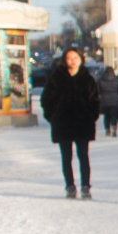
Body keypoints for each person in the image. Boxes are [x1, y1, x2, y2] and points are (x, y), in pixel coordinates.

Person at [41, 47, 101, 199]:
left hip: (83, 123)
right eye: (69, 58)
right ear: (64, 60)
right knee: (66, 157)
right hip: (63, 123)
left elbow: (95, 101)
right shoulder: (57, 78)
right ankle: (69, 186)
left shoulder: (87, 79)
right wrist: (52, 116)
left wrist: (91, 115)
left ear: (81, 59)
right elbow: (46, 99)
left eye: (76, 57)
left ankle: (86, 186)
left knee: (83, 155)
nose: (72, 61)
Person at [96, 65, 118, 137]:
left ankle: (107, 129)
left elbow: (97, 90)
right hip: (114, 100)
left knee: (106, 115)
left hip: (104, 100)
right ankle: (113, 127)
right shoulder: (117, 80)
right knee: (114, 115)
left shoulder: (100, 80)